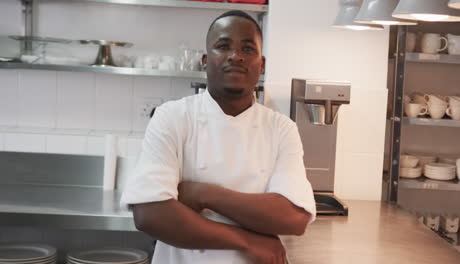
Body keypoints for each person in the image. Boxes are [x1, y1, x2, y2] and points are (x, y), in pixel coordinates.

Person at [120, 10, 316, 264]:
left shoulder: (280, 128)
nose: (235, 56)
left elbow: (293, 217)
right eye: (223, 46)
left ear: (262, 64)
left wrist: (202, 193)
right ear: (204, 60)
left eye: (248, 49)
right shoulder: (173, 116)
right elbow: (149, 213)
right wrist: (247, 240)